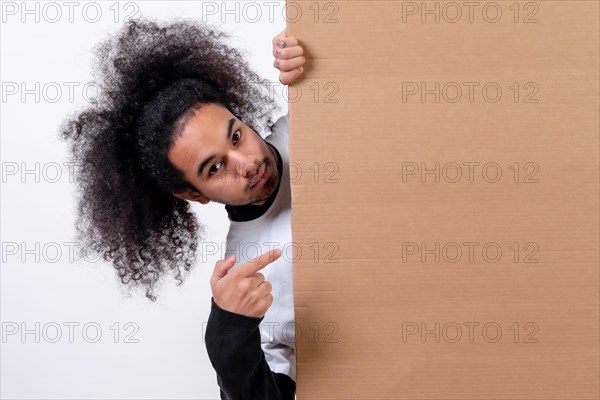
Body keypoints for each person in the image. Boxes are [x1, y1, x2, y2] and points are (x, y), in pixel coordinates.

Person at [61, 19, 305, 399]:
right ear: (194, 194)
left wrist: (322, 58)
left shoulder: (310, 125)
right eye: (215, 168)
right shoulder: (250, 274)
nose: (247, 163)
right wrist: (229, 332)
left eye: (236, 136)